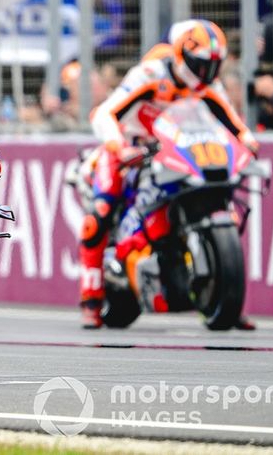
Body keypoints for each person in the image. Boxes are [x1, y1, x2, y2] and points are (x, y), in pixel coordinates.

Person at [77, 19, 258, 329]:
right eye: (201, 65)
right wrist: (119, 147)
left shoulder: (206, 87)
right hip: (130, 149)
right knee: (101, 211)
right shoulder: (150, 74)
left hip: (174, 154)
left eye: (214, 66)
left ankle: (224, 295)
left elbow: (230, 120)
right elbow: (105, 113)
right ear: (181, 56)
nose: (206, 75)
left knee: (220, 203)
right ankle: (91, 298)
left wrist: (246, 139)